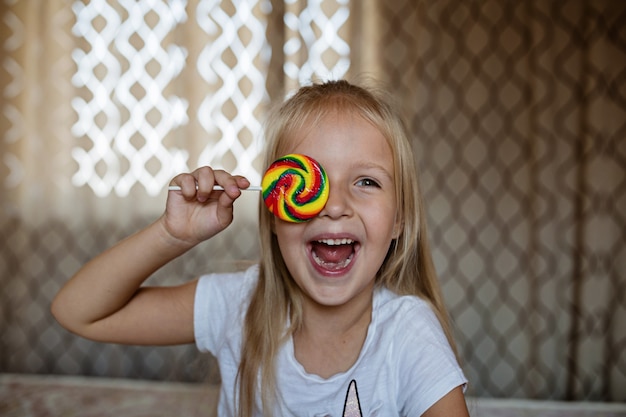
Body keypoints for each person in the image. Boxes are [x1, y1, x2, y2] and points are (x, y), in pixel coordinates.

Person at [52, 80, 469, 416]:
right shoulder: (237, 305)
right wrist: (171, 235)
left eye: (366, 181)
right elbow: (78, 312)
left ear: (399, 220)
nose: (336, 205)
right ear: (273, 210)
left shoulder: (408, 335)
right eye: (308, 180)